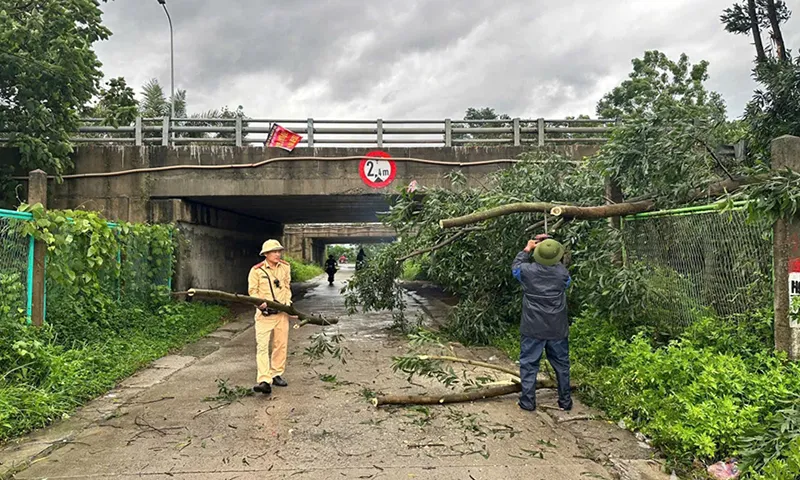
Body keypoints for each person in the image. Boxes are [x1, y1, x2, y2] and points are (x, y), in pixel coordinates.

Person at [511, 237, 573, 412]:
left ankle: (528, 402)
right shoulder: (563, 274)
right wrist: (550, 246)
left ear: (536, 254)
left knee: (529, 365)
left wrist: (527, 249)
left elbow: (515, 268)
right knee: (561, 365)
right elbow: (563, 275)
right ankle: (565, 402)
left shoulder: (526, 271)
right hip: (557, 328)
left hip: (533, 327)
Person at [247, 239, 293, 395]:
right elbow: (252, 292)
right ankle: (264, 380)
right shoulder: (257, 271)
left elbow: (286, 286)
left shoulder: (285, 267)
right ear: (266, 254)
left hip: (282, 314)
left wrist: (288, 304)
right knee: (262, 346)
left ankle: (276, 373)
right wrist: (259, 304)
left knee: (280, 345)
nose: (277, 254)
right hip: (265, 315)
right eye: (274, 251)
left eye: (279, 251)